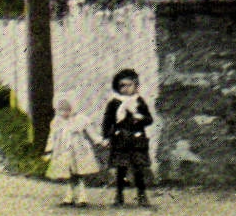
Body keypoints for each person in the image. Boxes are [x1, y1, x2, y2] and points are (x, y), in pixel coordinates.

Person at [101, 68, 155, 208]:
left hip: (136, 139)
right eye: (122, 86)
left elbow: (149, 119)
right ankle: (119, 195)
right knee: (121, 168)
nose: (125, 89)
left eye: (129, 85)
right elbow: (108, 121)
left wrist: (140, 118)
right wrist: (106, 136)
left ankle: (142, 195)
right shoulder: (114, 103)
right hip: (121, 139)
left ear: (136, 86)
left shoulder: (139, 101)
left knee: (138, 168)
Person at [44, 95, 102, 207]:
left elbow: (91, 132)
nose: (64, 113)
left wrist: (99, 140)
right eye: (60, 110)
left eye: (66, 110)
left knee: (79, 173)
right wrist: (49, 149)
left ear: (72, 109)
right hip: (64, 150)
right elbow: (52, 136)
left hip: (79, 150)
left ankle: (82, 197)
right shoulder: (57, 122)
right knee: (68, 174)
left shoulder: (80, 120)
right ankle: (68, 196)